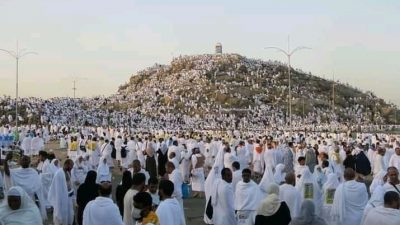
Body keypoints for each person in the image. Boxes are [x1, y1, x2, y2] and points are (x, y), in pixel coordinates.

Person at [4, 153, 47, 220]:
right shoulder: (16, 172)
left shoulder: (33, 172)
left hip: (30, 200)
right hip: (19, 201)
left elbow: (38, 187)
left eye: (26, 160)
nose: (25, 161)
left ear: (29, 162)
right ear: (20, 162)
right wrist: (6, 160)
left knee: (29, 218)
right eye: (23, 159)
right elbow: (7, 172)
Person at [48, 159, 75, 225]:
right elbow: (57, 191)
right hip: (61, 200)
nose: (72, 168)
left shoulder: (67, 172)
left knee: (69, 215)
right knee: (61, 216)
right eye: (71, 166)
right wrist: (59, 203)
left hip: (68, 198)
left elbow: (69, 185)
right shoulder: (59, 174)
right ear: (67, 164)